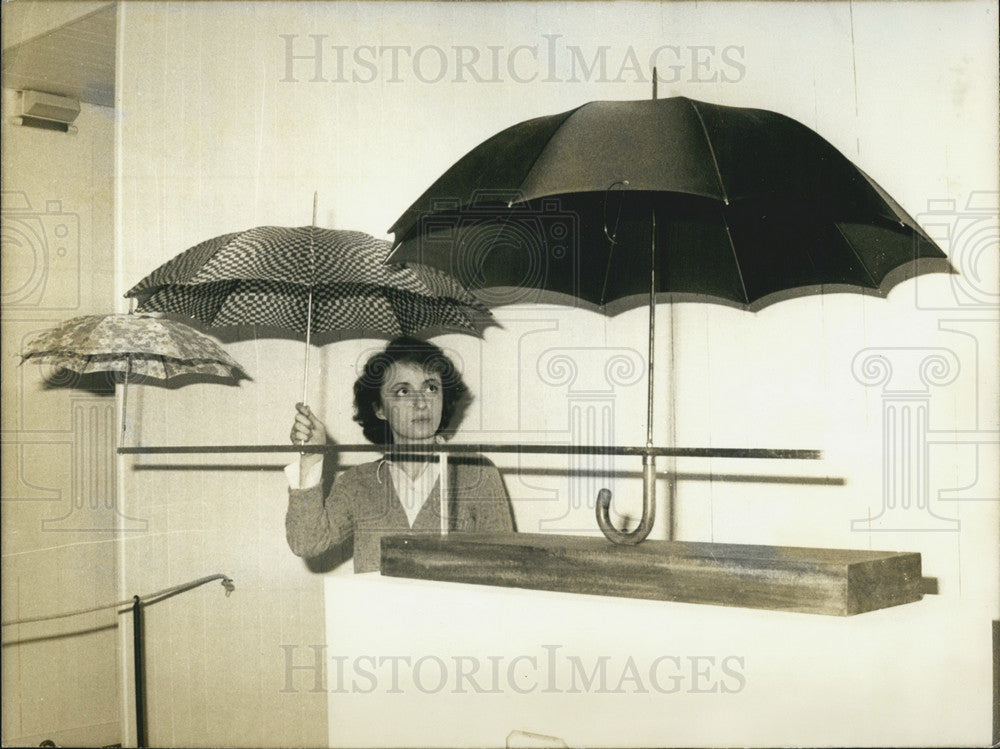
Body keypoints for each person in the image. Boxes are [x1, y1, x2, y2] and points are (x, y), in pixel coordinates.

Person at [285, 337, 516, 572]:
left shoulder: (476, 473)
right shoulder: (357, 482)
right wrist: (312, 456)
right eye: (403, 391)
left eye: (431, 388)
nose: (421, 402)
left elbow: (506, 565)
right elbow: (306, 542)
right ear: (379, 409)